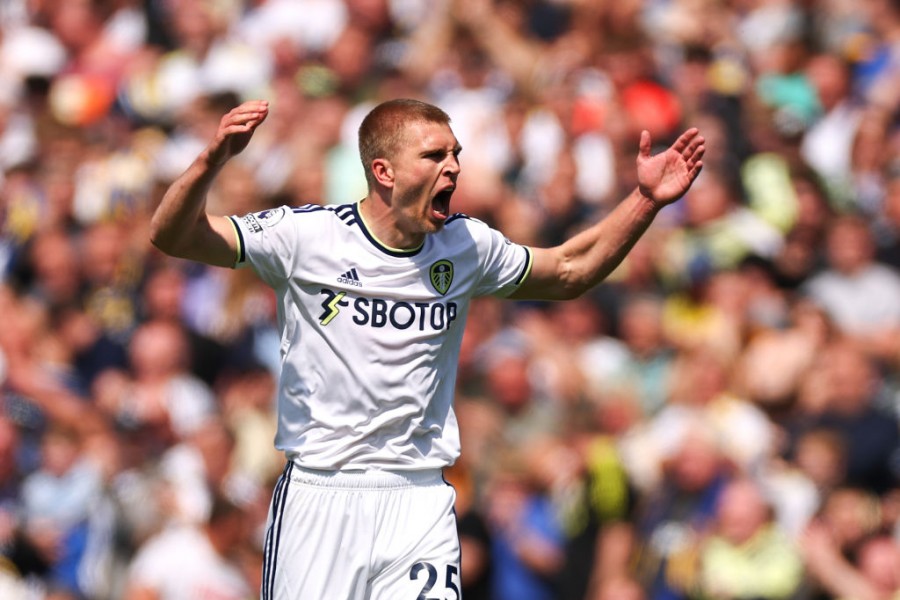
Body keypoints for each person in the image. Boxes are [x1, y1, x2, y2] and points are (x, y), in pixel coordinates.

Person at [149, 97, 704, 599]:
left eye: (456, 154)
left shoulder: (465, 244)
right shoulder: (306, 237)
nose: (454, 167)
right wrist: (213, 159)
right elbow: (175, 235)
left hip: (418, 497)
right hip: (322, 492)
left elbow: (568, 269)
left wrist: (645, 201)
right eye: (435, 154)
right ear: (383, 171)